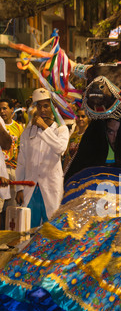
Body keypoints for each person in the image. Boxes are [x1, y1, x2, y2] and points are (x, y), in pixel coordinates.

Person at [15, 88, 70, 228]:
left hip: (51, 186)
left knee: (51, 227)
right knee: (27, 228)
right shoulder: (28, 132)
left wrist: (45, 128)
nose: (42, 110)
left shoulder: (61, 129)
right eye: (39, 106)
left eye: (46, 106)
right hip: (30, 188)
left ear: (53, 108)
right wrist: (19, 188)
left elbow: (60, 148)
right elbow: (21, 162)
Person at [0, 98, 23, 228]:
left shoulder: (19, 128)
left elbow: (21, 151)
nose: (2, 111)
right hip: (0, 171)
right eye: (0, 109)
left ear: (11, 110)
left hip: (13, 170)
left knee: (11, 208)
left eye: (5, 108)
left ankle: (10, 239)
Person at [63, 109, 89, 174]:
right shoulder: (73, 136)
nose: (80, 119)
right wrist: (64, 174)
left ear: (88, 118)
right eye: (78, 116)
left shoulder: (90, 136)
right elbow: (67, 157)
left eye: (83, 116)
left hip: (84, 172)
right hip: (72, 172)